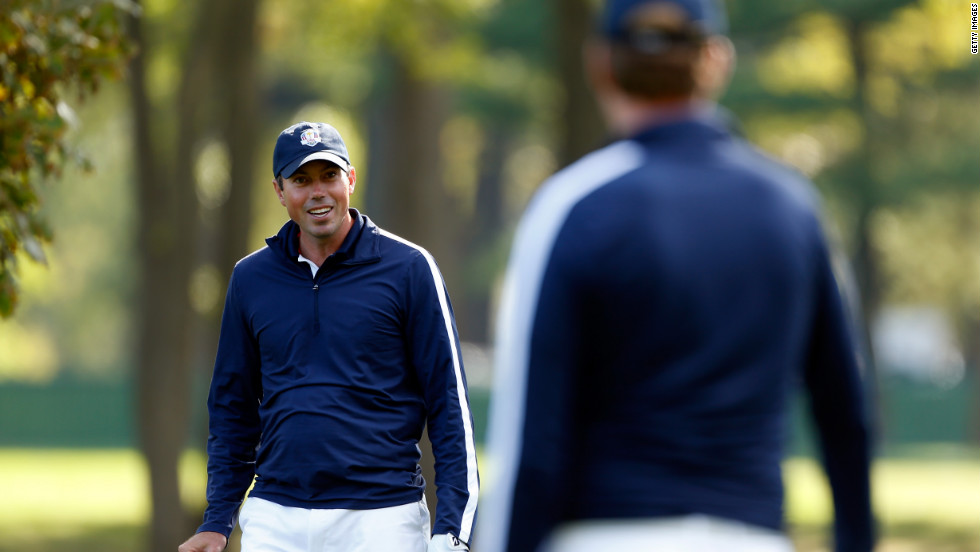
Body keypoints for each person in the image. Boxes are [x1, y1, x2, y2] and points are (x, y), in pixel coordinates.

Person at [475, 1, 875, 551]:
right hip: (751, 536)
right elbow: (847, 419)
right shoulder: (795, 209)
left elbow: (531, 441)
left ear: (600, 64)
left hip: (603, 534)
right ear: (718, 61)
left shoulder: (577, 205)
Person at [178, 122, 479, 552]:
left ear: (350, 180)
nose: (318, 192)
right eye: (301, 180)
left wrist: (452, 531)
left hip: (381, 519)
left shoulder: (410, 269)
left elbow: (451, 409)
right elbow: (232, 411)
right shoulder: (251, 278)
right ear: (279, 191)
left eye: (329, 176)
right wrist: (217, 520)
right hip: (274, 517)